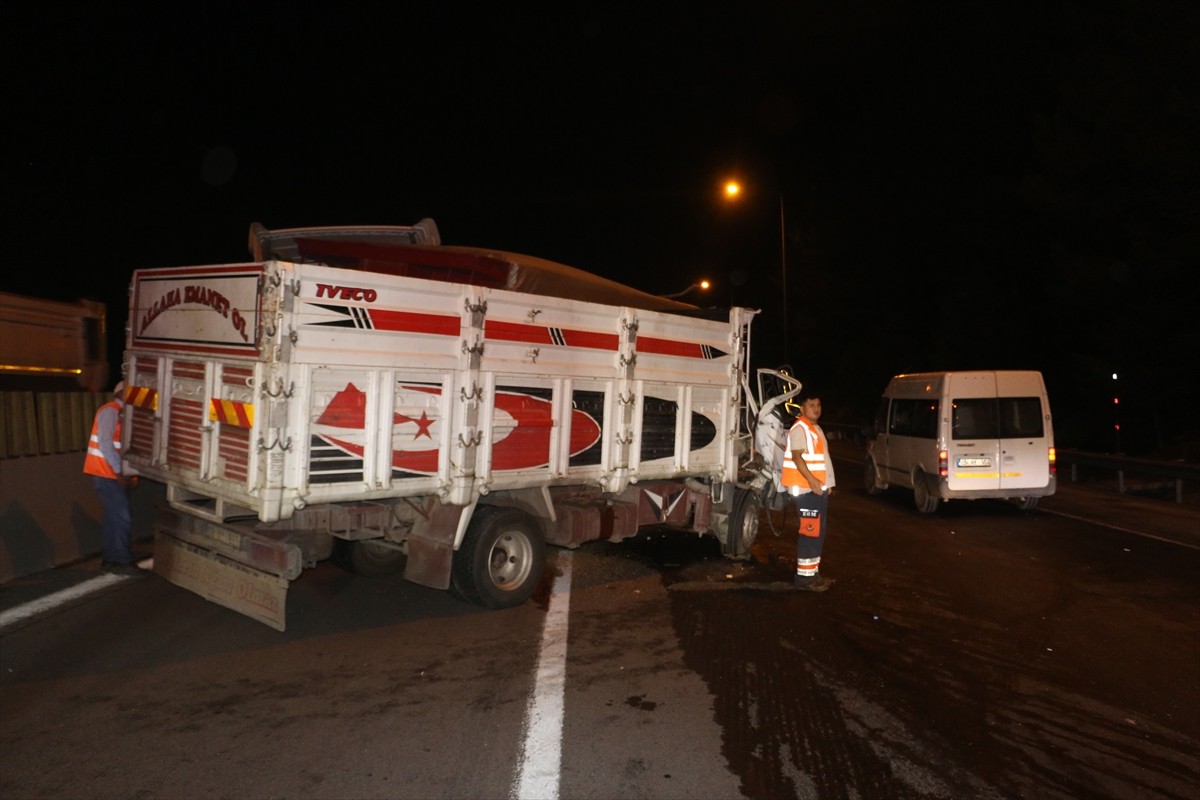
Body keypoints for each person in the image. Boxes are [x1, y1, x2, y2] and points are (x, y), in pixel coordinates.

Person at [83, 381, 148, 575]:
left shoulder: (121, 414)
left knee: (113, 519)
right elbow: (106, 444)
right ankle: (122, 560)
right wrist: (120, 472)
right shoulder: (110, 412)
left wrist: (130, 473)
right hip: (106, 474)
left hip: (108, 474)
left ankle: (110, 559)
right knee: (121, 518)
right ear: (122, 393)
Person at [779, 392, 836, 591]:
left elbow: (821, 460)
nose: (816, 408)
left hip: (817, 490)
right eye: (811, 404)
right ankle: (804, 578)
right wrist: (812, 481)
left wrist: (826, 484)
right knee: (810, 532)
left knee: (818, 533)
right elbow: (797, 457)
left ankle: (812, 572)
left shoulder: (815, 429)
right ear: (802, 409)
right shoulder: (801, 428)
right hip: (807, 490)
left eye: (818, 403)